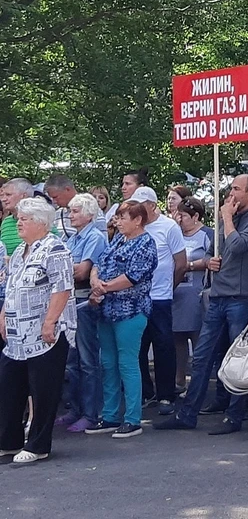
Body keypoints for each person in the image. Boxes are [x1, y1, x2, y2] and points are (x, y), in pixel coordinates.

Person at [155, 174, 248, 435]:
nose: (231, 194)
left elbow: (238, 245)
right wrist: (209, 261)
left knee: (238, 356)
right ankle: (188, 414)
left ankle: (235, 415)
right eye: (231, 189)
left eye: (237, 189)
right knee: (203, 356)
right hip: (217, 296)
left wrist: (227, 217)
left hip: (241, 296)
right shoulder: (224, 221)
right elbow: (213, 250)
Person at [0, 197, 75, 462]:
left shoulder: (54, 249)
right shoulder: (21, 250)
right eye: (18, 218)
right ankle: (8, 441)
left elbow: (62, 287)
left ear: (41, 223)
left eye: (25, 219)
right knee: (9, 385)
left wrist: (50, 321)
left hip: (45, 333)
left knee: (43, 388)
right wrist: (3, 317)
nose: (18, 222)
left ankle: (38, 446)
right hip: (17, 333)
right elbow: (11, 287)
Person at [84, 200, 157, 439]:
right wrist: (95, 282)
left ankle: (132, 419)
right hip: (106, 310)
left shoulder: (146, 243)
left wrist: (103, 288)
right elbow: (99, 263)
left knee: (127, 363)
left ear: (138, 220)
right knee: (108, 363)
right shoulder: (118, 240)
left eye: (123, 217)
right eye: (118, 217)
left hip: (131, 311)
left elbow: (133, 276)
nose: (118, 221)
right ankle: (110, 415)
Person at [130, 187, 186, 416]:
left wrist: (168, 288)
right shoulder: (134, 227)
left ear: (152, 205)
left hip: (160, 297)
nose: (137, 209)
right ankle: (146, 391)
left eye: (141, 204)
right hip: (136, 297)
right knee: (137, 347)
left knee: (163, 346)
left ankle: (166, 395)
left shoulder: (169, 227)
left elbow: (180, 262)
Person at [58, 193, 108, 433]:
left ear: (89, 214)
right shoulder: (73, 239)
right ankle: (75, 409)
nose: (70, 214)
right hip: (70, 303)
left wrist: (69, 269)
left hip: (86, 304)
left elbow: (82, 272)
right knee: (72, 361)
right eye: (70, 210)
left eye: (76, 211)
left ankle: (91, 412)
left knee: (88, 360)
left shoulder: (95, 238)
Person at [172, 197, 214, 393]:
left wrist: (188, 266)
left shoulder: (207, 235)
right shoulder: (174, 234)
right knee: (177, 339)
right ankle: (179, 379)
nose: (179, 219)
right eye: (177, 215)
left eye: (183, 216)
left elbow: (210, 260)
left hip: (196, 293)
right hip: (175, 293)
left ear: (196, 216)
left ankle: (198, 384)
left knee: (198, 339)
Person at [45, 174, 107, 239]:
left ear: (67, 189)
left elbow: (101, 242)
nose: (54, 201)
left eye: (55, 197)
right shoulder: (57, 214)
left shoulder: (93, 212)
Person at [1, 178, 34, 255]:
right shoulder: (6, 222)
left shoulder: (40, 220)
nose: (3, 199)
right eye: (3, 195)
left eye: (8, 195)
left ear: (23, 196)